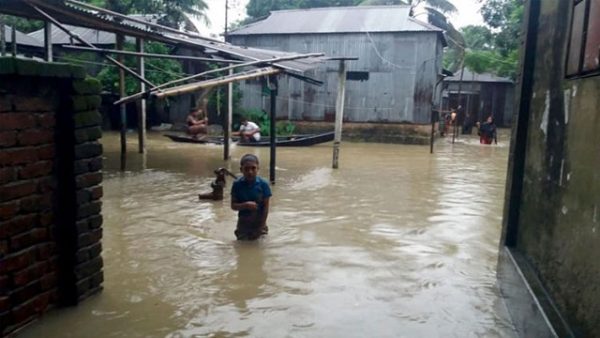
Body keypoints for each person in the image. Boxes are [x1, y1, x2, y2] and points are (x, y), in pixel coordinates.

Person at [230, 154, 272, 240]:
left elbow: (266, 208)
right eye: (246, 169)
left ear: (258, 169)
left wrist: (260, 228)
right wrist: (245, 205)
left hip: (260, 222)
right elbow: (233, 206)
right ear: (241, 170)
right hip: (243, 223)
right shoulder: (237, 184)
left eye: (253, 168)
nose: (250, 172)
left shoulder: (263, 184)